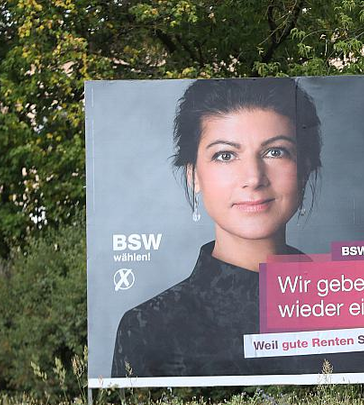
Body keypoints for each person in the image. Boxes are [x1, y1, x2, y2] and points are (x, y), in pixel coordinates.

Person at [111, 78, 325, 377]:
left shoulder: (353, 310)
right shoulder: (148, 326)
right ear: (193, 176)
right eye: (225, 155)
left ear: (304, 168)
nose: (253, 177)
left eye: (275, 152)